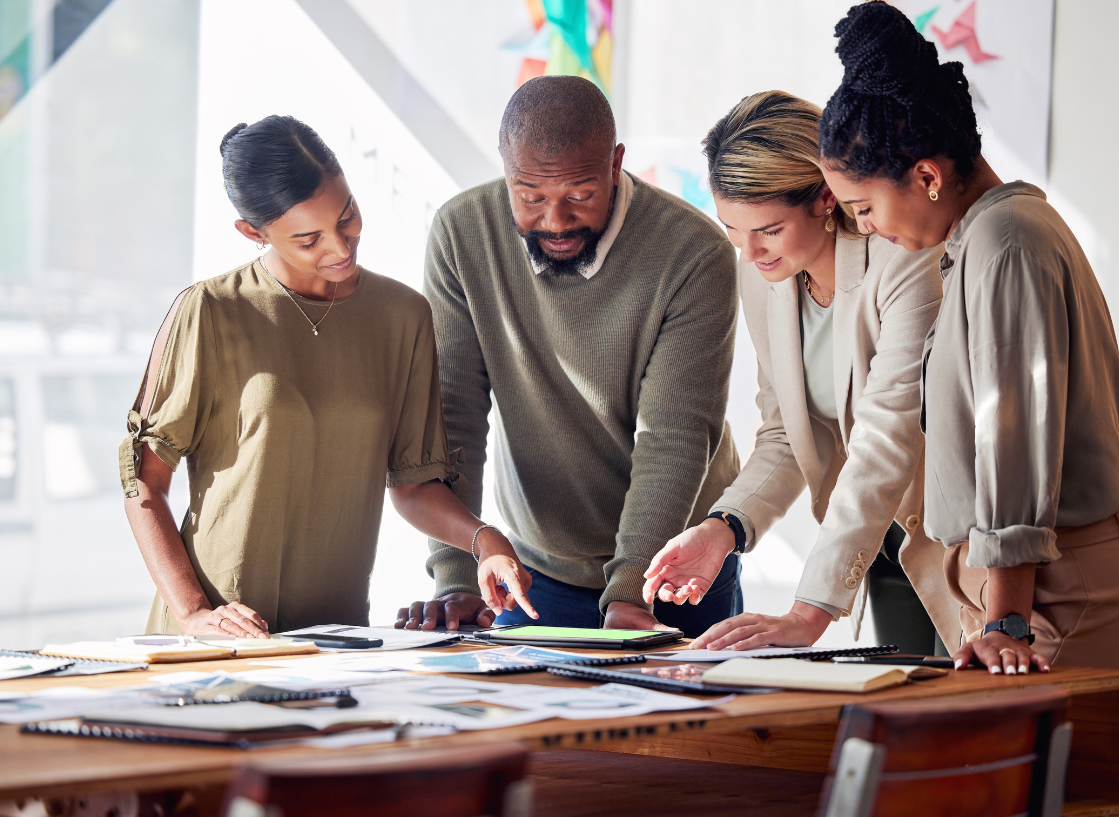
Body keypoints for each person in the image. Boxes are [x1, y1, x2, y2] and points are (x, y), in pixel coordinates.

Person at [818, 1, 1119, 695]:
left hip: (1067, 602)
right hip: (1031, 596)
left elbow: (1012, 439)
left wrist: (1008, 621)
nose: (865, 230)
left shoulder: (1007, 242)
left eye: (863, 210)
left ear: (925, 177)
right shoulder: (981, 239)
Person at [121, 115, 535, 637]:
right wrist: (192, 613)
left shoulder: (402, 316)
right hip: (218, 635)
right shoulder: (211, 311)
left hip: (335, 639)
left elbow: (412, 485)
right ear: (254, 232)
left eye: (347, 218)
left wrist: (485, 539)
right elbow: (144, 479)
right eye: (308, 238)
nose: (340, 248)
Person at [395, 76, 741, 636]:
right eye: (531, 197)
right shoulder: (463, 234)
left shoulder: (693, 253)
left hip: (675, 568)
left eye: (580, 194)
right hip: (535, 569)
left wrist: (631, 592)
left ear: (615, 163)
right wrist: (457, 575)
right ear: (506, 173)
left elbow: (673, 437)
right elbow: (452, 415)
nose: (555, 221)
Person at [642, 91, 957, 654]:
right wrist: (723, 529)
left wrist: (807, 611)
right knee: (904, 728)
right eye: (734, 231)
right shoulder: (766, 280)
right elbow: (787, 432)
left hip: (963, 545)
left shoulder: (904, 261)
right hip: (879, 546)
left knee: (981, 729)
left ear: (823, 198)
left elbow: (887, 435)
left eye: (766, 229)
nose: (750, 252)